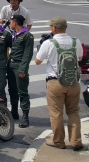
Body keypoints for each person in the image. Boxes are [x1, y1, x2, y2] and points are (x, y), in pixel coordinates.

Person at [35, 17, 84, 150]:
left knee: (56, 113)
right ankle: (76, 140)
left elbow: (38, 61)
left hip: (55, 82)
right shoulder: (75, 41)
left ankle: (58, 141)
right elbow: (79, 57)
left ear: (54, 28)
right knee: (73, 111)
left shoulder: (49, 43)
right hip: (73, 82)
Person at [8, 14, 34, 128]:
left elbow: (28, 54)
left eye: (11, 22)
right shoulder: (14, 34)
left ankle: (25, 116)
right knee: (12, 89)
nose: (9, 24)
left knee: (22, 91)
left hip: (19, 66)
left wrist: (23, 69)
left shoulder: (27, 35)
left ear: (15, 22)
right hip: (11, 64)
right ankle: (14, 111)